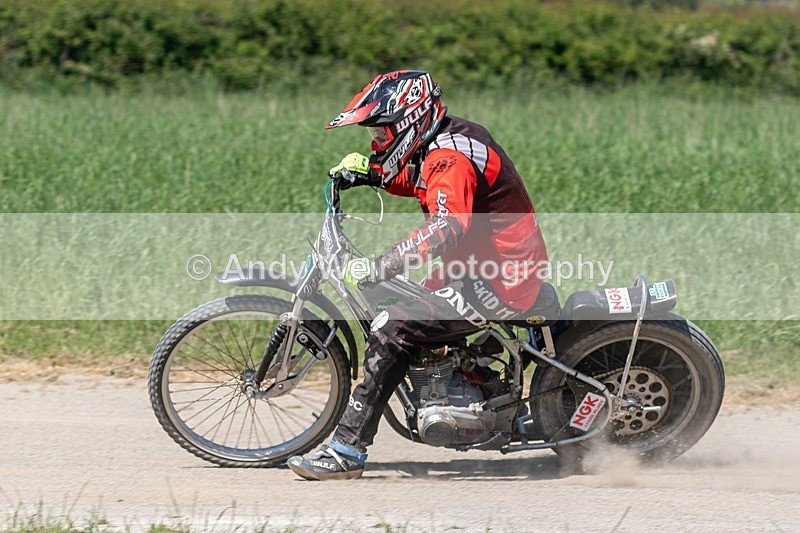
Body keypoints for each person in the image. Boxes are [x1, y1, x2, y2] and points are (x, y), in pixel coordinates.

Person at [287, 70, 548, 480]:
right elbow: (424, 179)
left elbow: (447, 226)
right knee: (414, 311)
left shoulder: (450, 158)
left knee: (395, 323)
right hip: (479, 265)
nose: (377, 144)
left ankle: (346, 451)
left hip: (501, 277)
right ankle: (476, 390)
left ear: (411, 121)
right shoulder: (444, 139)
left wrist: (382, 264)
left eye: (382, 134)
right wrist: (374, 172)